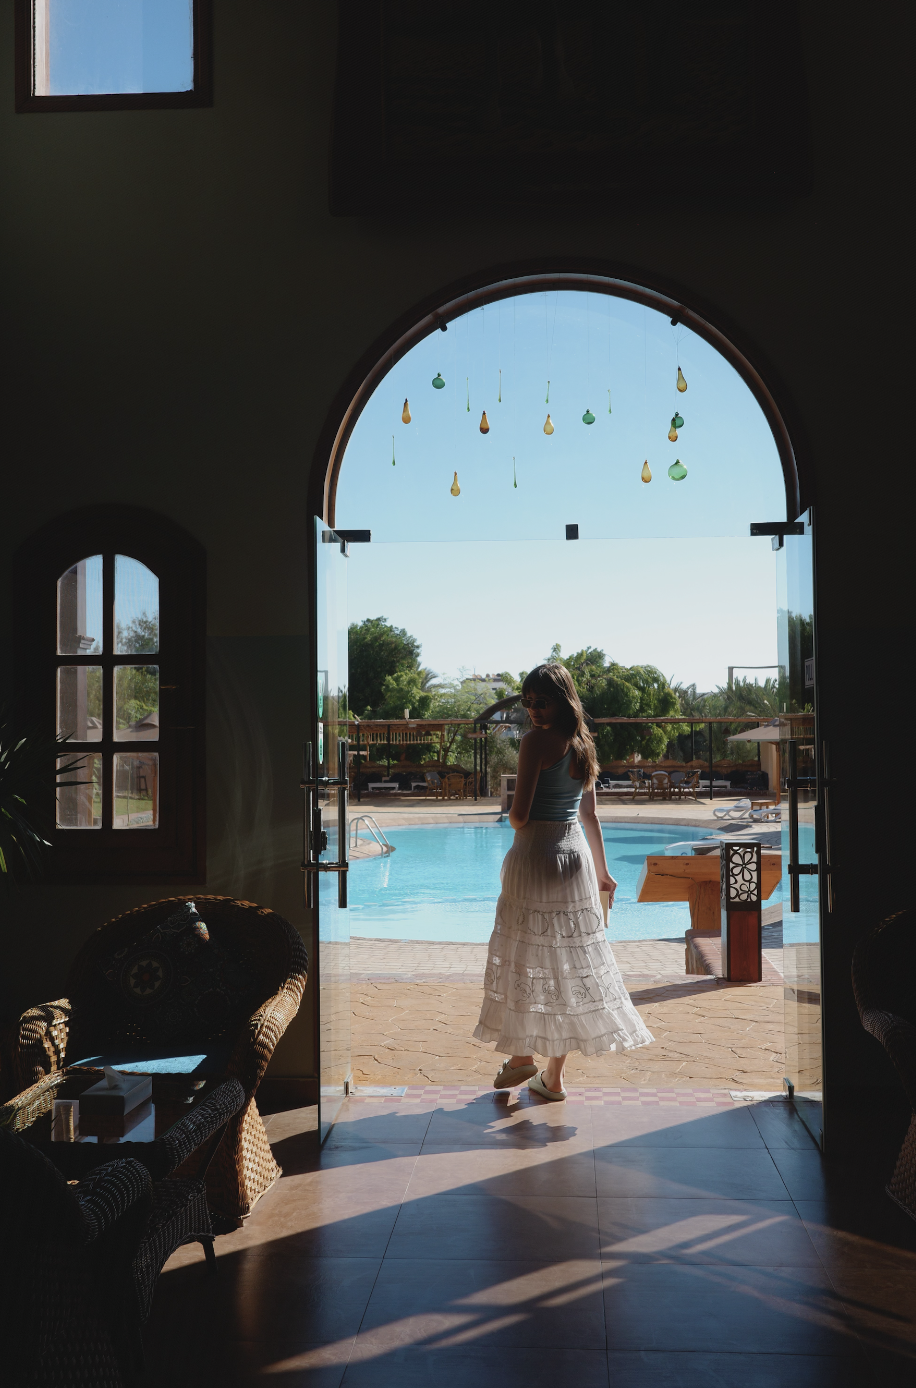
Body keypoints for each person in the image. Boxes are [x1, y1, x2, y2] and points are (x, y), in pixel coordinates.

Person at [473, 662, 654, 1099]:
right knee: (570, 963)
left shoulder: (536, 741)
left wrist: (520, 808)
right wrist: (605, 872)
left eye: (542, 701)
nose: (533, 710)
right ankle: (552, 1079)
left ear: (561, 699)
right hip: (574, 859)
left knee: (525, 955)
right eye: (529, 702)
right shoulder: (581, 744)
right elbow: (589, 815)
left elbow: (518, 817)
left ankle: (520, 1057)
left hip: (536, 854)